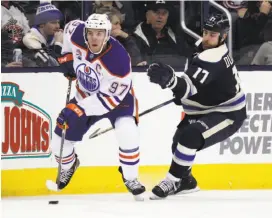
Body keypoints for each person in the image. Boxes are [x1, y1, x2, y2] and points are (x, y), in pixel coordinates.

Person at [147, 14, 247, 199]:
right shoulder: (201, 48)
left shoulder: (214, 57)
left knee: (190, 136)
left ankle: (171, 180)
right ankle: (186, 181)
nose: (207, 37)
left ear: (223, 37)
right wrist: (181, 92)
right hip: (206, 107)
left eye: (213, 35)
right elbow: (193, 83)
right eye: (206, 32)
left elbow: (188, 87)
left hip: (227, 113)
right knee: (178, 142)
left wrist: (171, 82)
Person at [52, 14, 145, 200]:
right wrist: (67, 57)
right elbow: (69, 28)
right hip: (85, 94)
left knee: (127, 132)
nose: (95, 37)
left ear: (108, 34)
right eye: (91, 33)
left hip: (117, 100)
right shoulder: (77, 32)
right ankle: (69, 165)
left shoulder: (119, 60)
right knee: (59, 136)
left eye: (100, 34)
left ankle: (130, 177)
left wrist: (78, 110)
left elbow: (108, 101)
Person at [23, 2, 63, 66]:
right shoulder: (30, 39)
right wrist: (58, 44)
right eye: (53, 22)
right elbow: (51, 65)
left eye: (58, 22)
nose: (58, 26)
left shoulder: (53, 37)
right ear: (41, 24)